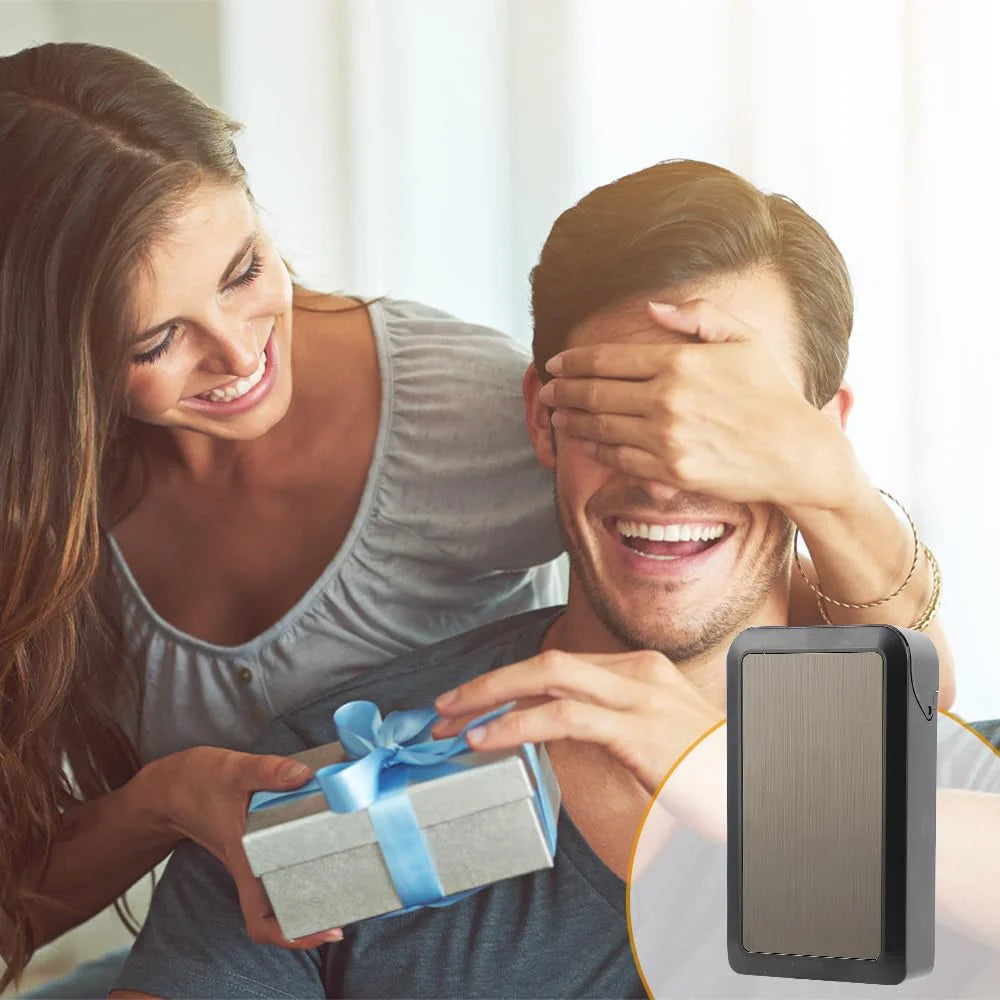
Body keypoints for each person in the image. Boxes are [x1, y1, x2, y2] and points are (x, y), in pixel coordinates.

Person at [0, 41, 954, 993]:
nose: (671, 470)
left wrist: (828, 488)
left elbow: (921, 711)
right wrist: (162, 804)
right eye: (157, 339)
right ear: (544, 420)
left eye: (246, 269)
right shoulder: (291, 779)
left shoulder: (880, 783)